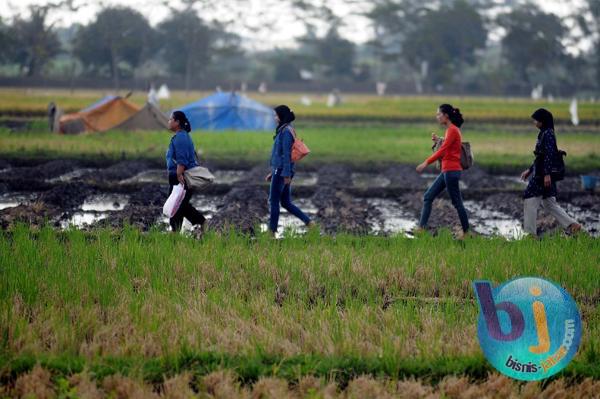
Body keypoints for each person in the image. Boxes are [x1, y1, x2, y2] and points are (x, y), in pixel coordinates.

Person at [520, 108, 582, 236]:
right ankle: (572, 225)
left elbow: (549, 155)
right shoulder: (544, 133)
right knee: (549, 203)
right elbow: (540, 156)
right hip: (542, 173)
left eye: (536, 120)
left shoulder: (548, 134)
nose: (534, 122)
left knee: (529, 198)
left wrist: (547, 174)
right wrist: (530, 169)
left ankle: (530, 235)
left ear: (542, 121)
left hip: (543, 175)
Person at [415, 104, 470, 238]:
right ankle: (421, 229)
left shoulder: (452, 130)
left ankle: (467, 233)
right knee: (428, 196)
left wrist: (426, 163)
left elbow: (443, 151)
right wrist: (439, 140)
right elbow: (448, 145)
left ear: (446, 116)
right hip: (447, 171)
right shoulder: (451, 130)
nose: (437, 117)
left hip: (451, 172)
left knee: (457, 203)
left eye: (439, 114)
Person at [265, 105, 314, 235]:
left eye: (276, 115)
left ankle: (271, 231)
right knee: (286, 203)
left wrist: (285, 174)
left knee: (274, 201)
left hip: (282, 171)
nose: (275, 117)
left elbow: (287, 155)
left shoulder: (286, 131)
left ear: (281, 116)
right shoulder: (285, 129)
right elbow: (281, 155)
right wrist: (274, 172)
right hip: (281, 170)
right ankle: (309, 223)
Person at [165, 110, 206, 233]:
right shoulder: (181, 136)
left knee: (177, 206)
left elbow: (181, 159)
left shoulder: (181, 137)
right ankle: (177, 231)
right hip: (181, 176)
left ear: (177, 122)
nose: (169, 121)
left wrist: (179, 174)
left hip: (182, 176)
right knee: (178, 206)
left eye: (170, 119)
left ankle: (200, 222)